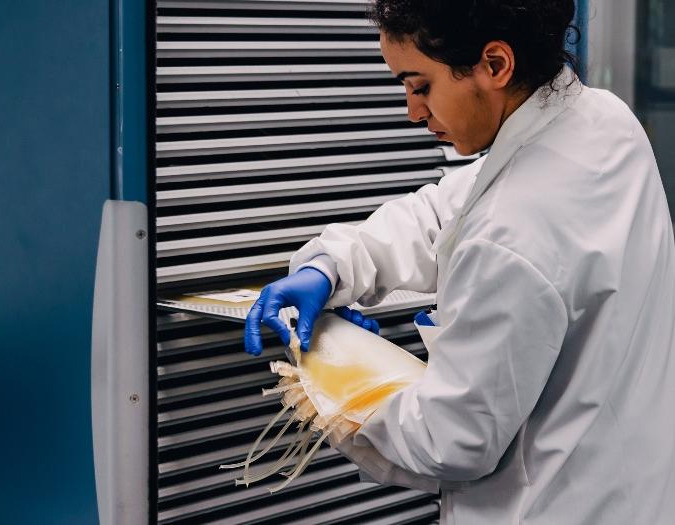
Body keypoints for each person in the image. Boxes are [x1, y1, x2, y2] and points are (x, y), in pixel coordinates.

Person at [244, 1, 675, 523]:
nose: (413, 111)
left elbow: (449, 442)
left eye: (420, 85)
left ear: (495, 64)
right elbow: (441, 212)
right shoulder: (602, 119)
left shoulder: (512, 232)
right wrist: (332, 264)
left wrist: (338, 384)